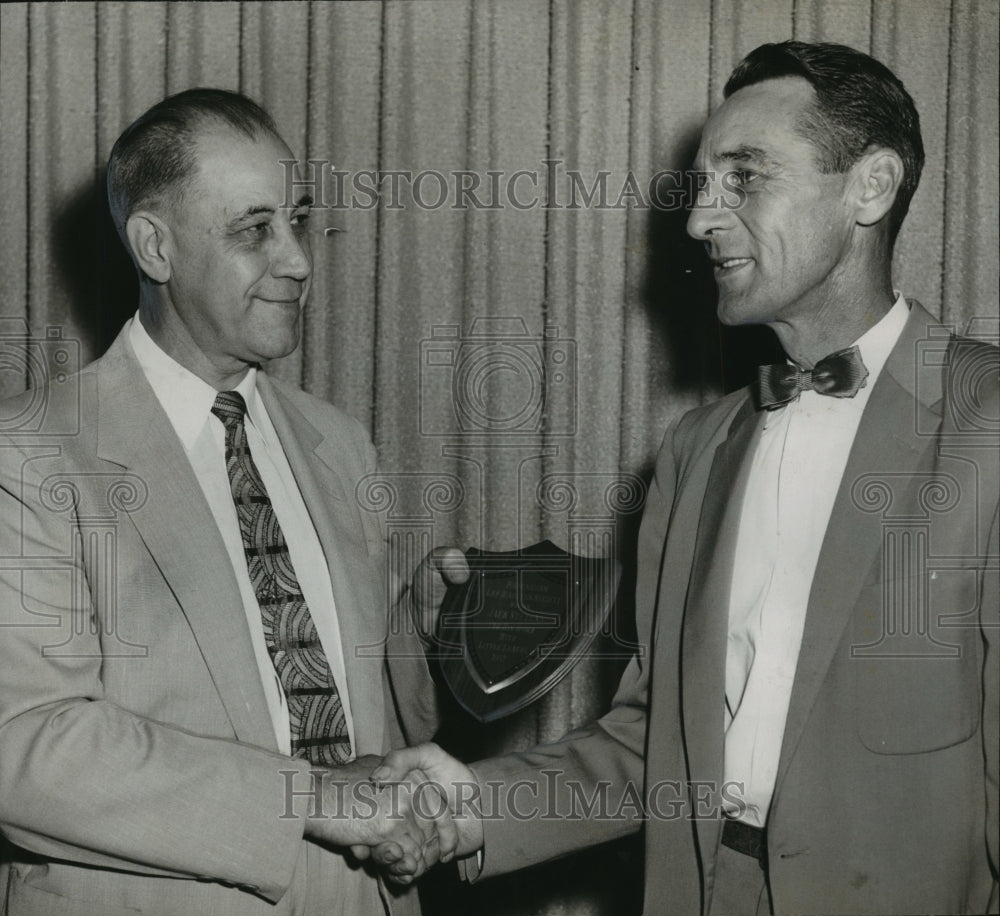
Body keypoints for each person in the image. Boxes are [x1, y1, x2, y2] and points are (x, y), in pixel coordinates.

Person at [376, 41, 999, 915]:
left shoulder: (988, 424)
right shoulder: (694, 453)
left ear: (871, 186)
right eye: (702, 186)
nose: (700, 221)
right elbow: (653, 744)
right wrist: (470, 806)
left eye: (744, 178)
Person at [0, 88, 458, 916]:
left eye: (299, 220)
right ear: (155, 246)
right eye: (254, 230)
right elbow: (25, 744)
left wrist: (420, 636)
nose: (298, 260)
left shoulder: (339, 443)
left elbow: (378, 738)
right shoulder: (30, 454)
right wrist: (311, 800)